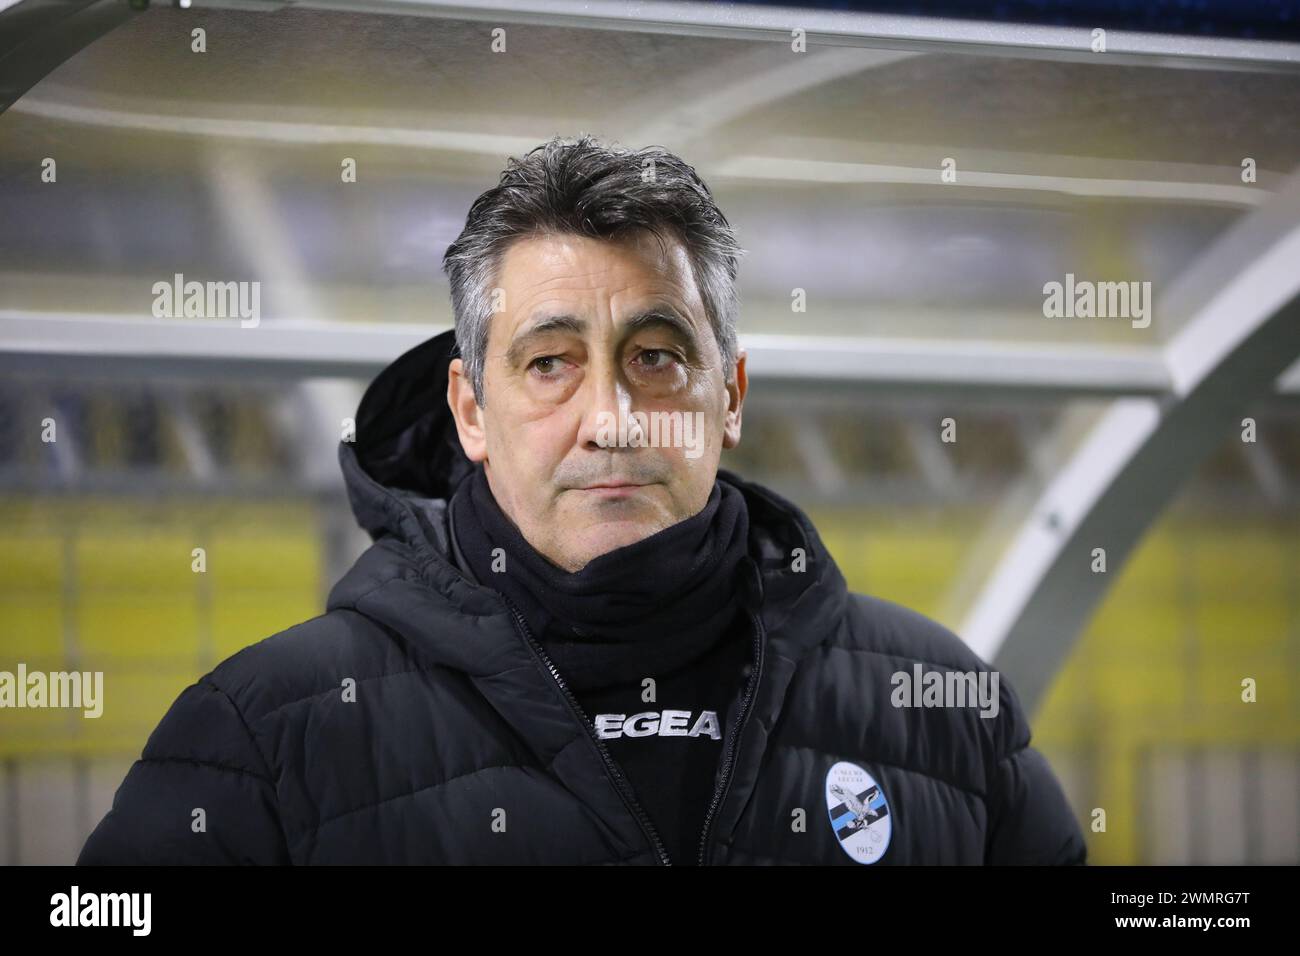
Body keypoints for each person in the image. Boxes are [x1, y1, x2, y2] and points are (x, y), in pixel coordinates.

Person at [78, 134, 1086, 865]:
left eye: (655, 356)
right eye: (551, 361)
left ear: (727, 395)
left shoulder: (944, 711)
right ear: (471, 409)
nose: (611, 417)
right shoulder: (261, 735)